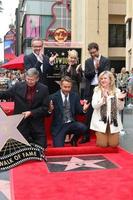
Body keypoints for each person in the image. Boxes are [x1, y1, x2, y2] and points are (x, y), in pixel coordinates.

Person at [0, 68, 49, 151]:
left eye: (32, 80)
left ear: (37, 79)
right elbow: (5, 94)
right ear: (25, 77)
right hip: (21, 124)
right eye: (28, 79)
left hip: (36, 124)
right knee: (18, 149)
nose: (30, 81)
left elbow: (45, 108)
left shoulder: (43, 89)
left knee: (42, 147)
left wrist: (31, 112)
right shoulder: (18, 86)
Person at [48, 76, 90, 147]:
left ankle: (73, 140)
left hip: (71, 123)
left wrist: (84, 109)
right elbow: (47, 114)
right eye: (65, 87)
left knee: (83, 128)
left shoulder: (75, 96)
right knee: (59, 148)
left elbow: (79, 111)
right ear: (60, 85)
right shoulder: (53, 97)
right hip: (59, 126)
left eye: (69, 87)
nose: (67, 89)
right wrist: (50, 110)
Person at [90, 71, 126, 147]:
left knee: (113, 145)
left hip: (113, 122)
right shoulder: (97, 90)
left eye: (105, 78)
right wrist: (104, 98)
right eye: (101, 79)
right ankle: (101, 136)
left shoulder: (117, 91)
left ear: (110, 79)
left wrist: (120, 100)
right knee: (102, 145)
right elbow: (94, 106)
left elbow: (120, 108)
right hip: (101, 122)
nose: (102, 80)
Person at [84, 42, 110, 136]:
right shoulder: (87, 61)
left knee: (103, 111)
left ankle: (102, 135)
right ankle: (86, 136)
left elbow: (106, 74)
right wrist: (94, 69)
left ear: (98, 50)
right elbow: (86, 75)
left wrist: (99, 68)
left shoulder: (105, 60)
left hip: (102, 88)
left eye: (94, 52)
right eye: (91, 53)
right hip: (91, 88)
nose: (93, 54)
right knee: (89, 113)